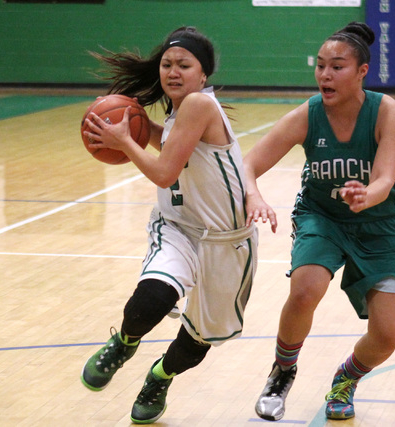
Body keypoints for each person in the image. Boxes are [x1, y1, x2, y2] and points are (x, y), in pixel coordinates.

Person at [80, 26, 257, 424]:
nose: (172, 71)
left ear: (203, 74)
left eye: (183, 65)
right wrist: (127, 122)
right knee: (151, 300)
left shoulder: (198, 105)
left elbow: (163, 172)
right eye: (166, 64)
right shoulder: (183, 112)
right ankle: (123, 344)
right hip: (177, 227)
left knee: (197, 342)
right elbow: (170, 148)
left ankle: (160, 376)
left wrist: (125, 140)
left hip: (228, 242)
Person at [244, 22, 395, 421]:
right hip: (322, 215)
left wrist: (365, 195)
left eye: (336, 67)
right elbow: (249, 163)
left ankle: (346, 379)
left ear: (362, 72)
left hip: (380, 223)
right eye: (320, 66)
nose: (324, 75)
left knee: (387, 334)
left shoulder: (390, 113)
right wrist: (255, 195)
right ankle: (282, 372)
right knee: (306, 289)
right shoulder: (308, 114)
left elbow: (385, 180)